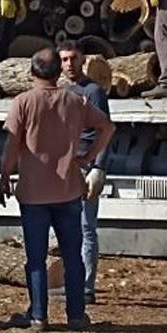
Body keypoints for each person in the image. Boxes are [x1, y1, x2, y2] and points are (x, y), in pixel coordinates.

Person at [0, 47, 115, 330]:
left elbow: (12, 144)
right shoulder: (75, 100)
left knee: (35, 258)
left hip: (33, 193)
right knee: (73, 255)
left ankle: (38, 315)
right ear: (58, 71)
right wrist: (89, 158)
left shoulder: (23, 102)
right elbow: (107, 128)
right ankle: (76, 315)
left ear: (31, 72)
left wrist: (4, 177)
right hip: (68, 189)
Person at [58, 41, 110, 302]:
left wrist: (99, 167)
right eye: (64, 59)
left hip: (87, 166)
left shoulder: (94, 91)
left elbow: (104, 130)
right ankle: (71, 283)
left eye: (73, 58)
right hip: (66, 167)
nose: (69, 64)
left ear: (83, 60)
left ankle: (87, 288)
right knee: (67, 228)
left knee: (87, 227)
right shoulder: (63, 91)